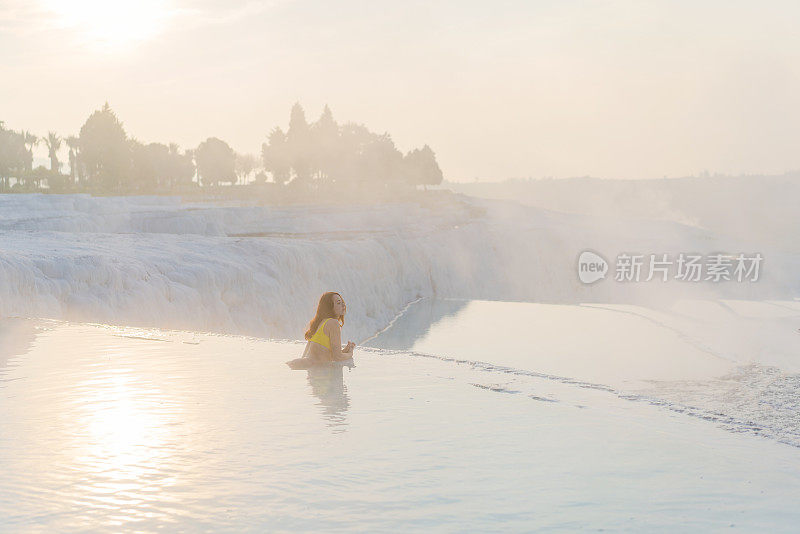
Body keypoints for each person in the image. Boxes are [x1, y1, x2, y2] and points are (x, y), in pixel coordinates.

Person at [287, 292, 355, 369]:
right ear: (330, 307)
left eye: (343, 302)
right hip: (315, 372)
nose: (343, 305)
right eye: (339, 303)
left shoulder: (318, 323)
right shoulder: (333, 323)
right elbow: (337, 357)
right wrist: (350, 353)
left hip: (300, 364)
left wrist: (345, 351)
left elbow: (322, 355)